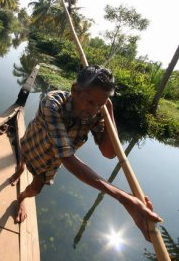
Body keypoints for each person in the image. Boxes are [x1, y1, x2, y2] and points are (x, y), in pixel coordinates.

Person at [9, 65, 162, 241]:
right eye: (90, 102)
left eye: (100, 104)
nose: (93, 109)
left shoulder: (95, 114)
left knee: (35, 189)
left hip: (48, 163)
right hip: (33, 144)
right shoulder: (52, 103)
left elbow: (109, 152)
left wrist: (109, 110)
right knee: (22, 160)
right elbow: (68, 158)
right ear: (75, 90)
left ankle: (21, 198)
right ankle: (20, 170)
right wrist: (125, 198)